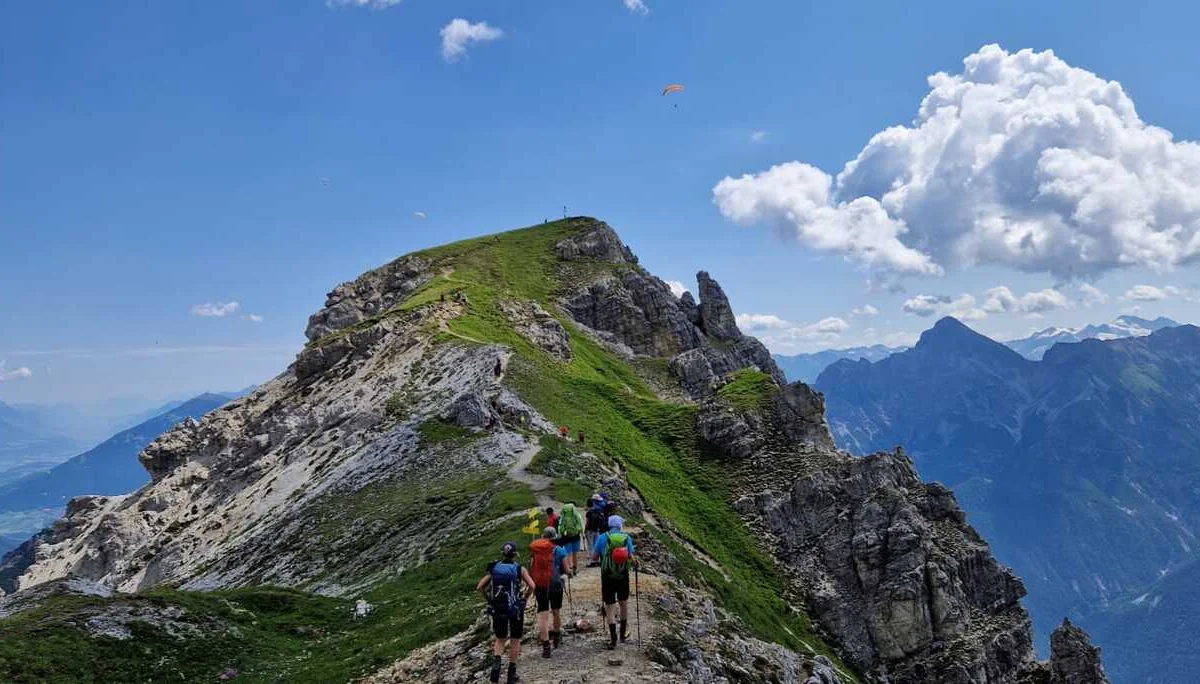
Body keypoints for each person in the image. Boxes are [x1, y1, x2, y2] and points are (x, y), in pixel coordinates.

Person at [477, 542, 536, 684]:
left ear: (503, 553)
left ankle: (496, 664)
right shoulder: (519, 569)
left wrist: (490, 600)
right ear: (515, 554)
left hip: (498, 608)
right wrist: (524, 599)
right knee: (515, 639)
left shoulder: (495, 568)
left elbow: (480, 586)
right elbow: (532, 586)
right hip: (515, 608)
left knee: (500, 639)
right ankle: (511, 674)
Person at [592, 515, 636, 650]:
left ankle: (613, 639)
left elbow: (594, 557)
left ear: (610, 525)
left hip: (607, 575)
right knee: (623, 603)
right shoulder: (626, 538)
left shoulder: (601, 537)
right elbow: (630, 556)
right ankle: (622, 635)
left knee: (610, 605)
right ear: (620, 525)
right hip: (623, 574)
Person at [529, 527, 572, 658]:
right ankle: (557, 637)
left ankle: (546, 645)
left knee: (543, 614)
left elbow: (532, 567)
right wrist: (569, 572)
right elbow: (566, 569)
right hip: (555, 585)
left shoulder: (536, 550)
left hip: (540, 585)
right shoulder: (559, 550)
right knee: (556, 611)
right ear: (554, 537)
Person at [557, 502, 585, 569]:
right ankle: (575, 566)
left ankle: (570, 566)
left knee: (568, 552)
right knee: (575, 553)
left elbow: (560, 526)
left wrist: (560, 534)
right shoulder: (576, 515)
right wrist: (582, 533)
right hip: (576, 535)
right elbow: (581, 524)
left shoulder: (563, 516)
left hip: (566, 536)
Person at [584, 496, 606, 568]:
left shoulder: (588, 513)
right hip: (597, 530)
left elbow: (587, 523)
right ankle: (598, 560)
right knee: (597, 545)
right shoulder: (597, 511)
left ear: (587, 504)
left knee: (590, 546)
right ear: (593, 504)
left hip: (590, 530)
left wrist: (585, 530)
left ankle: (593, 561)